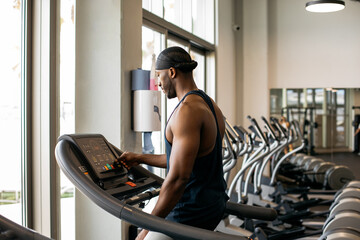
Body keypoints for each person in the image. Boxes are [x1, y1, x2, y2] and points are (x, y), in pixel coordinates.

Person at [117, 46, 228, 240]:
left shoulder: (187, 111)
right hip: (212, 205)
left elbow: (178, 179)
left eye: (159, 75)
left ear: (172, 72)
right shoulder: (209, 104)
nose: (158, 83)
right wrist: (139, 157)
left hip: (189, 212)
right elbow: (184, 159)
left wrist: (146, 229)